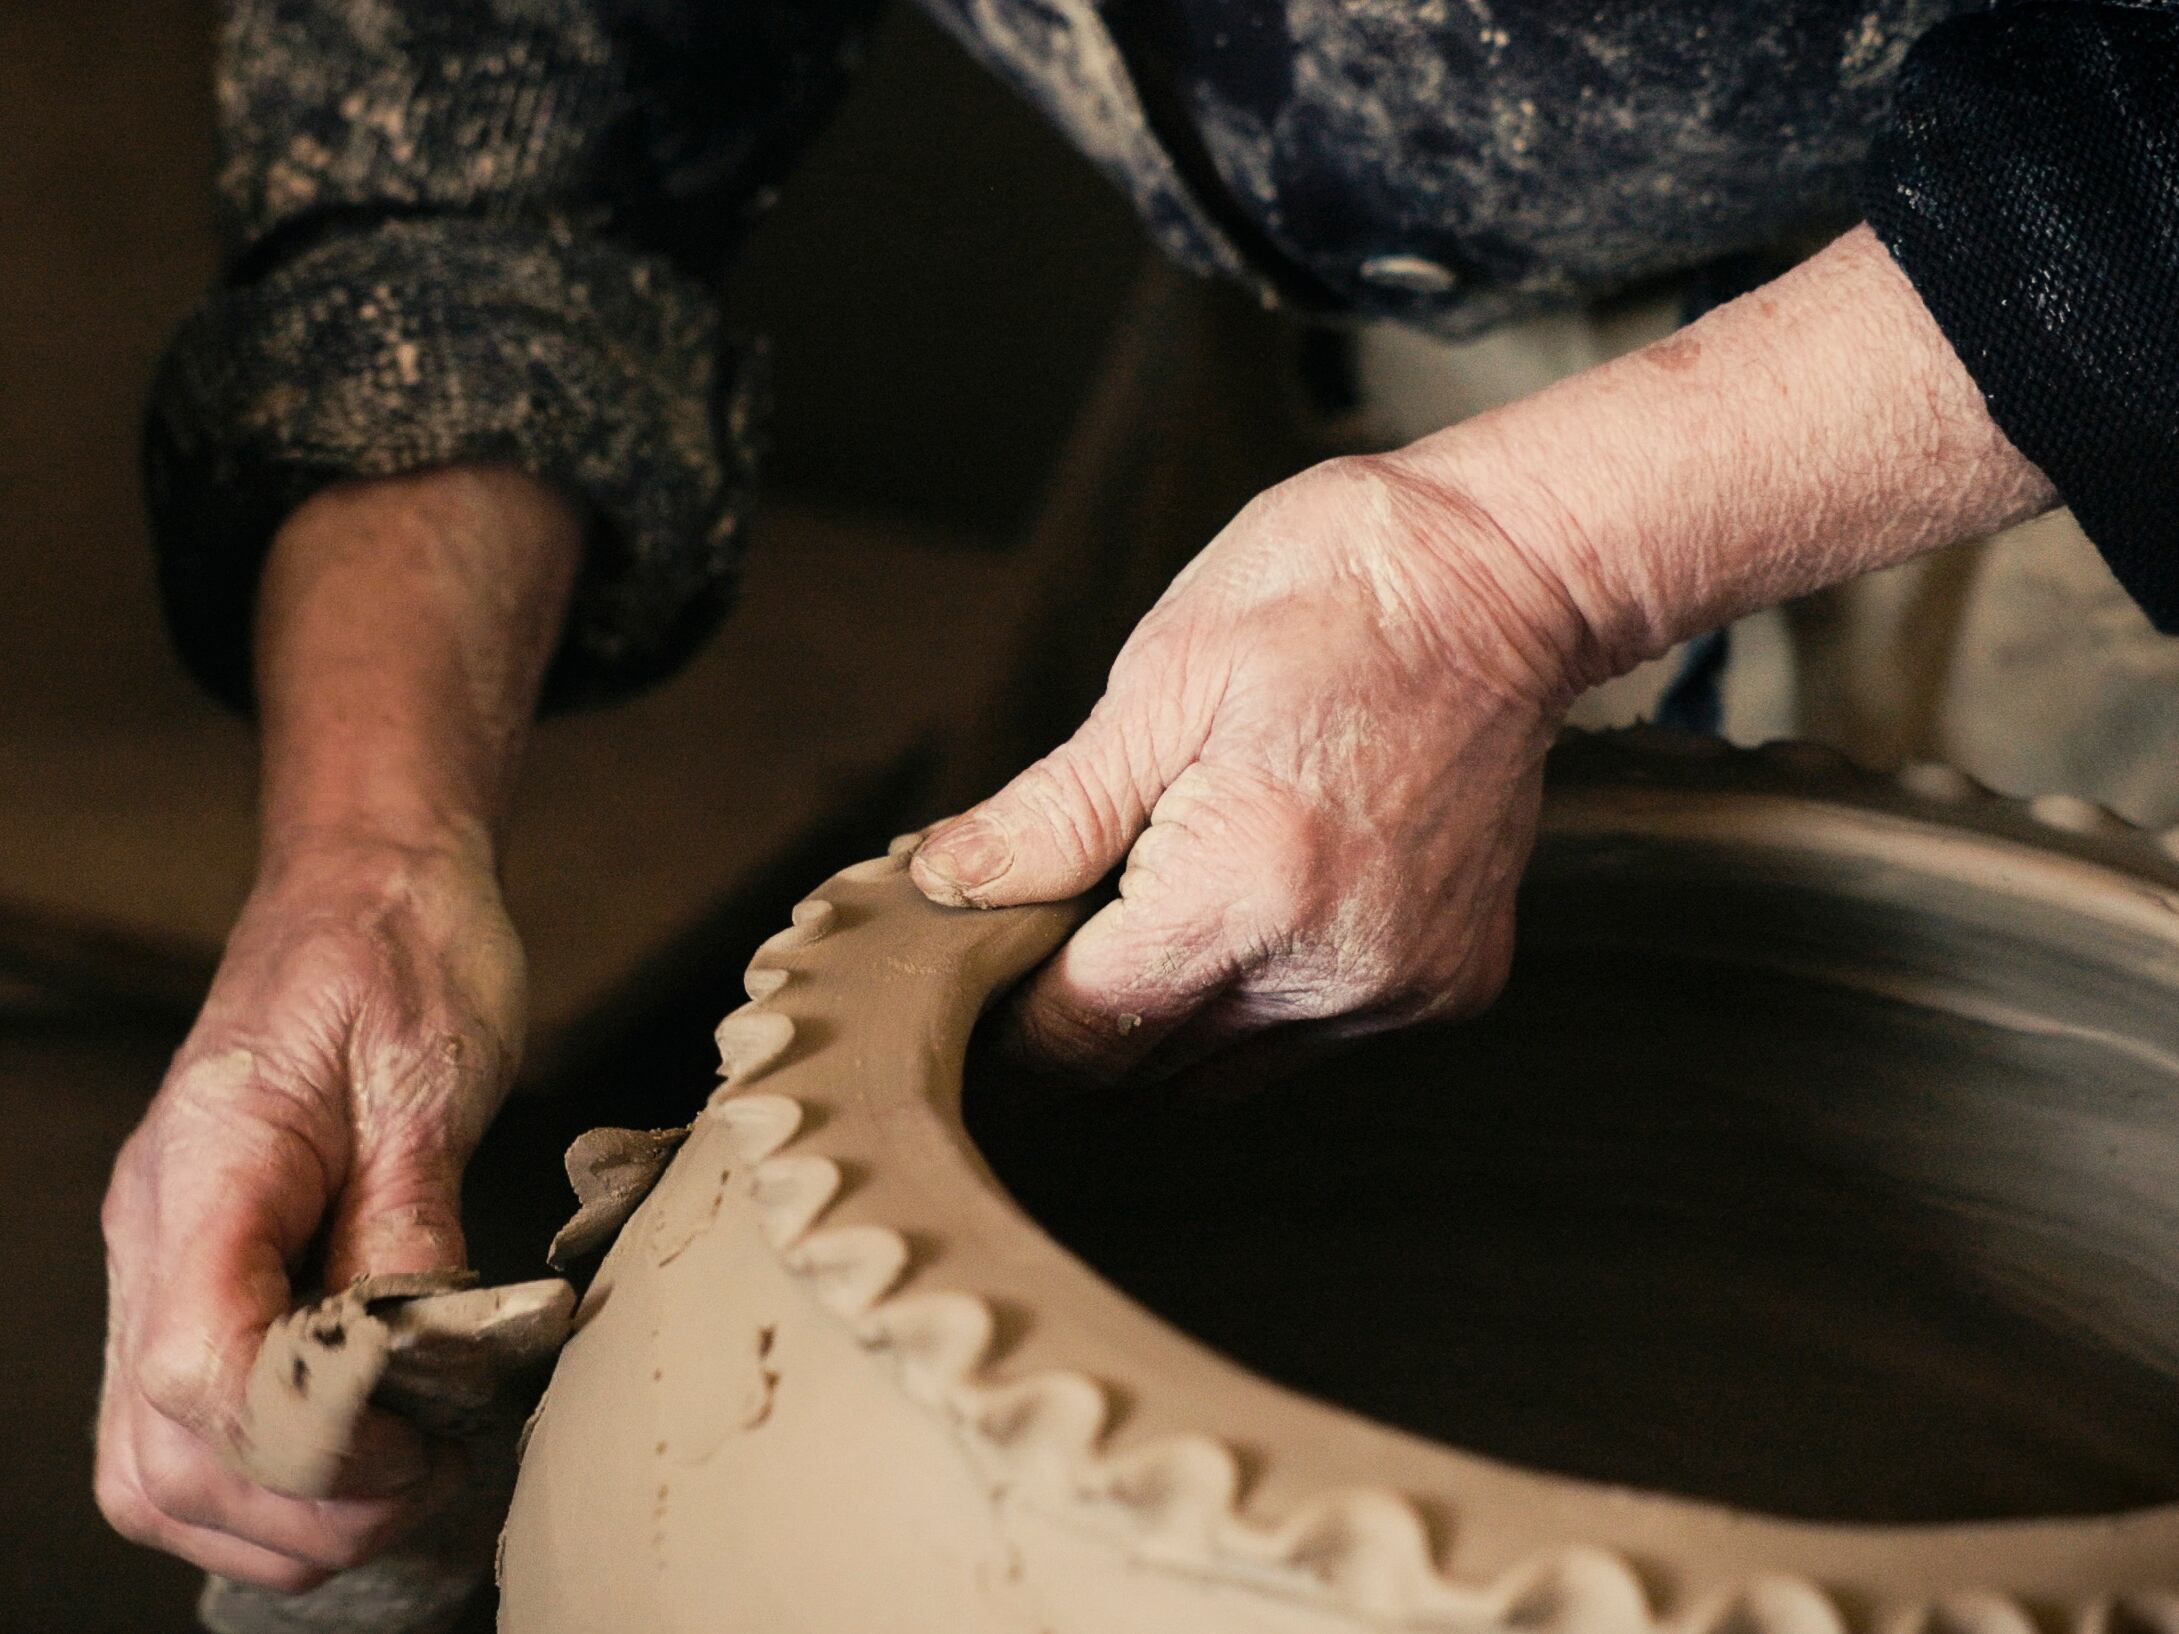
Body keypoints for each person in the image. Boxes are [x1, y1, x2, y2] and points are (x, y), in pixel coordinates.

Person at [96, 0, 2179, 1591]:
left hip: (2035, 380)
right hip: (1318, 415)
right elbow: (497, 82)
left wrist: (1523, 564)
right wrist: (365, 856)